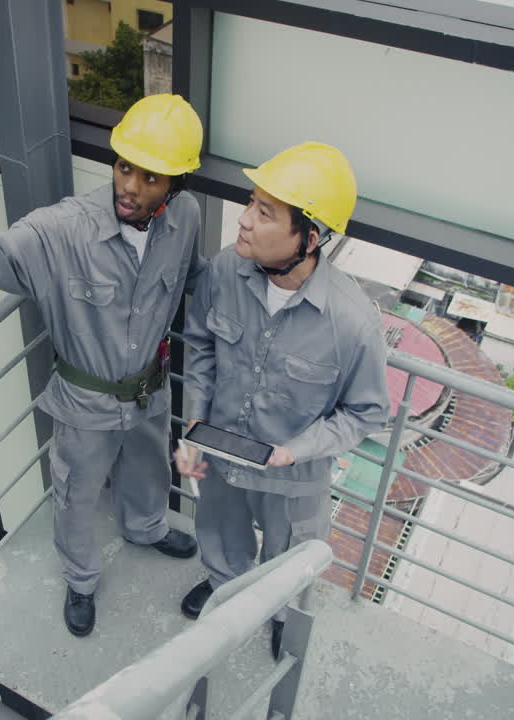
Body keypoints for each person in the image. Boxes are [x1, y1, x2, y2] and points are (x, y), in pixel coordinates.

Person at [0, 94, 206, 638]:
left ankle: (146, 527)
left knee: (148, 470)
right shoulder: (64, 229)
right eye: (124, 166)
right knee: (76, 494)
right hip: (85, 404)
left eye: (150, 177)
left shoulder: (187, 217)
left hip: (152, 393)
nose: (130, 185)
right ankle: (81, 580)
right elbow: (10, 253)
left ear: (174, 186)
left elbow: (191, 278)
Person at [174, 142, 390, 658]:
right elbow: (201, 344)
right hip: (223, 449)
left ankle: (275, 613)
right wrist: (196, 420)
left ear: (308, 237)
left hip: (294, 476)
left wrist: (294, 451)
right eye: (250, 203)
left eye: (264, 213)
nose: (243, 221)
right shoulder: (225, 271)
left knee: (287, 557)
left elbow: (367, 412)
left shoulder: (353, 323)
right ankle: (225, 585)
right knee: (219, 532)